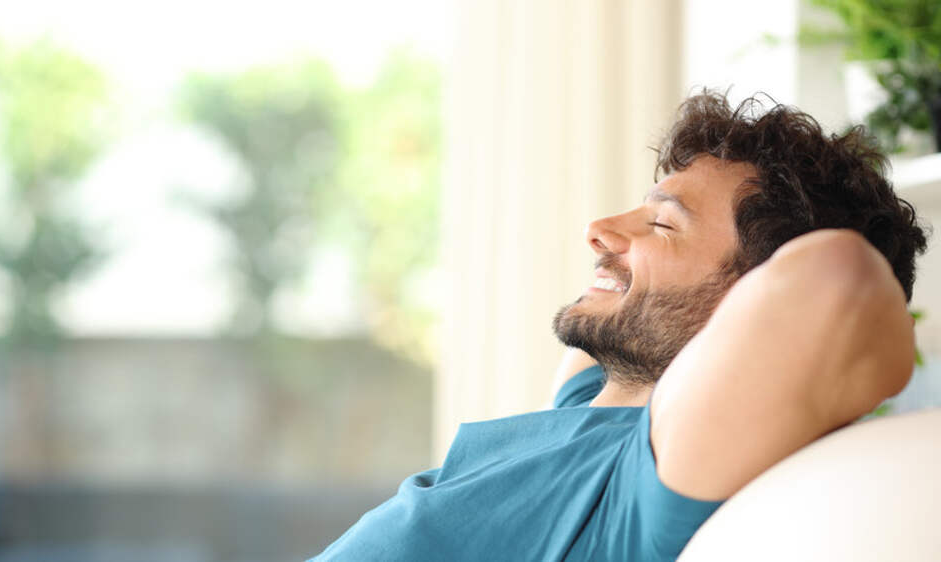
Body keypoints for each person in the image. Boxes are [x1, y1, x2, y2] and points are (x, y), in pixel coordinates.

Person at [310, 91, 929, 561]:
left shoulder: (643, 479)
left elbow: (839, 281)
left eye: (661, 224)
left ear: (749, 294)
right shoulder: (590, 405)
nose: (597, 229)